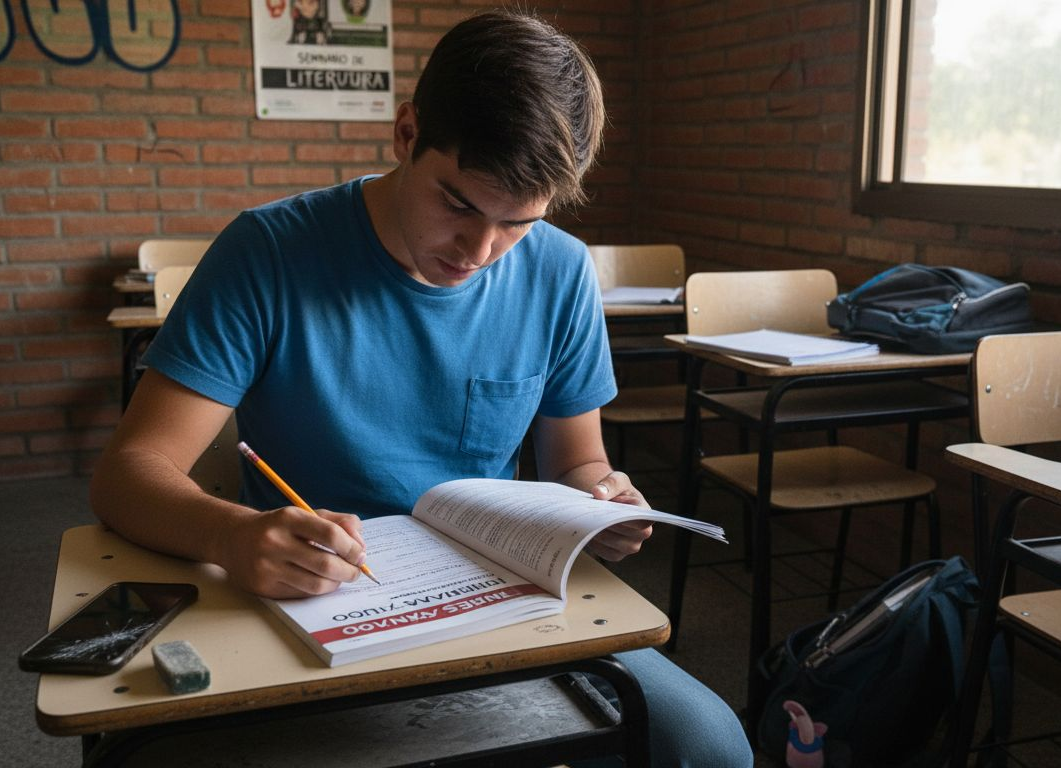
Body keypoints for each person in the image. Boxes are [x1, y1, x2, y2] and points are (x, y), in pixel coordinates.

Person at [90, 9, 752, 767]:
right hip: (311, 600)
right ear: (406, 133)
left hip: (496, 604)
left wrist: (603, 501)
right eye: (458, 204)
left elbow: (579, 465)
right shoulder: (268, 253)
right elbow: (126, 475)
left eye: (518, 224)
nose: (479, 251)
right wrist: (229, 534)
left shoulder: (562, 271)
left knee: (709, 747)